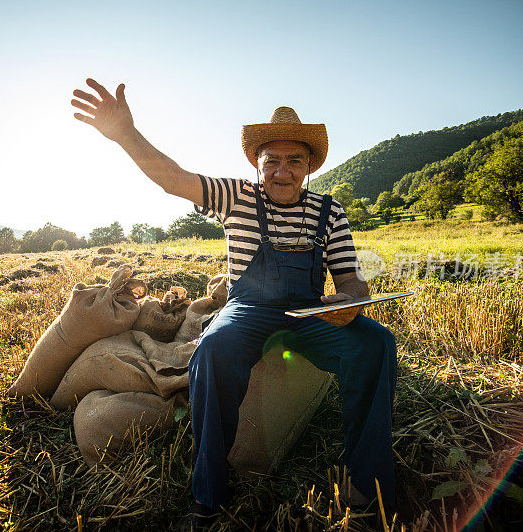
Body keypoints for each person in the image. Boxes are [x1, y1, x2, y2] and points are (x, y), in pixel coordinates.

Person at [71, 78, 397, 528]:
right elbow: (174, 180)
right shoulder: (236, 195)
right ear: (257, 163)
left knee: (376, 343)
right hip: (248, 310)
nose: (283, 171)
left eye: (294, 161)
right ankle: (209, 492)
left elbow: (350, 280)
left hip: (308, 314)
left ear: (310, 166)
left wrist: (350, 302)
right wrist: (126, 133)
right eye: (272, 161)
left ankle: (368, 483)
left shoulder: (330, 211)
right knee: (213, 350)